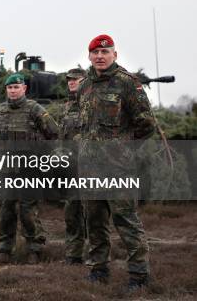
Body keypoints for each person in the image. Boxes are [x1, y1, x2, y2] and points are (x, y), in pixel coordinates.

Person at [77, 34, 154, 290]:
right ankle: (98, 271)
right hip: (89, 169)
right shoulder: (85, 85)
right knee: (94, 223)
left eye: (105, 52)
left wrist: (122, 149)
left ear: (114, 55)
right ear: (89, 56)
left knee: (127, 222)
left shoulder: (127, 83)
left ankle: (139, 275)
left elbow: (146, 124)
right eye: (95, 53)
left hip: (117, 169)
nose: (100, 56)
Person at [0, 73, 59, 263]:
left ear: (24, 89)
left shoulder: (35, 109)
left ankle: (35, 248)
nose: (13, 91)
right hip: (6, 169)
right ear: (6, 90)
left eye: (16, 87)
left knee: (28, 210)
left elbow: (54, 133)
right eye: (10, 88)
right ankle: (4, 250)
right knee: (6, 210)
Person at [60, 68, 87, 264]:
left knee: (94, 214)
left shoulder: (93, 103)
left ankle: (98, 255)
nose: (71, 82)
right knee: (72, 212)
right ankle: (74, 254)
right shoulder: (68, 106)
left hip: (91, 165)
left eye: (75, 79)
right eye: (69, 79)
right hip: (72, 167)